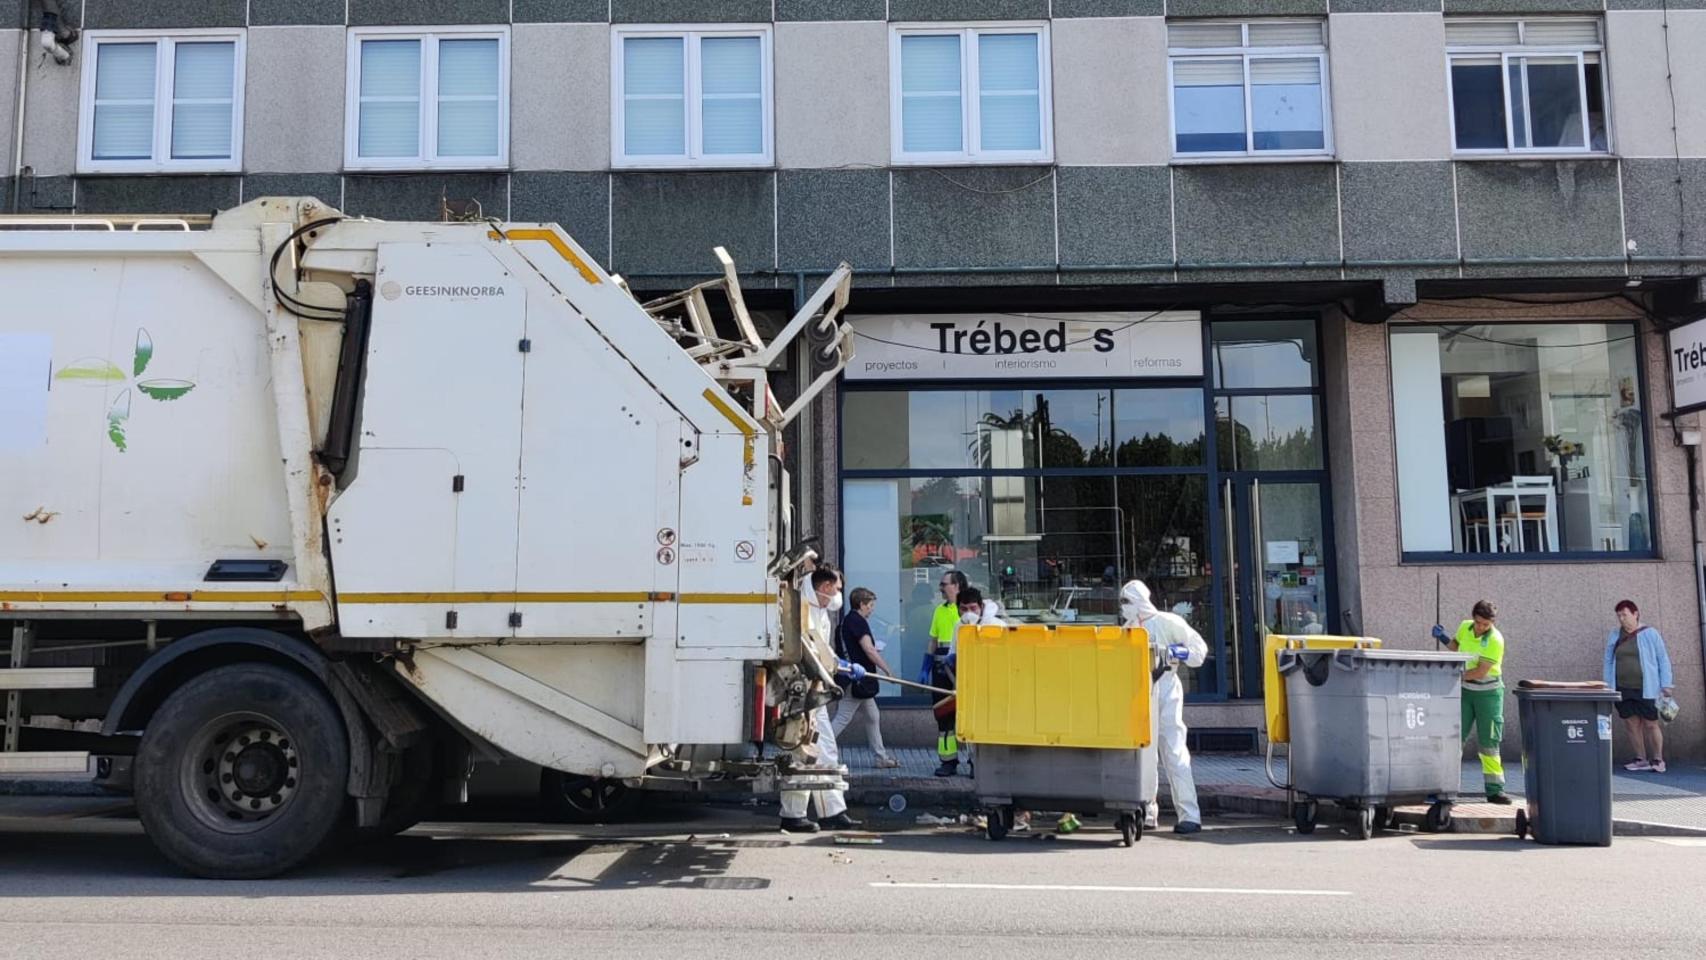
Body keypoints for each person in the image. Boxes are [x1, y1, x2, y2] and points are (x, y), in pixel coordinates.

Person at [779, 566, 861, 833]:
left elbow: (820, 649)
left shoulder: (817, 608)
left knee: (819, 749)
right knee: (802, 750)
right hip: (798, 689)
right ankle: (798, 815)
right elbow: (810, 648)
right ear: (825, 587)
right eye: (836, 589)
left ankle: (827, 811)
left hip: (812, 689)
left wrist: (838, 665)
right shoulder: (801, 607)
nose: (838, 595)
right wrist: (840, 666)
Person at [1121, 580, 1207, 835]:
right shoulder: (1128, 628)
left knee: (1174, 751)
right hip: (1137, 691)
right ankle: (1147, 811)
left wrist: (1172, 653)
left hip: (1166, 687)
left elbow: (1198, 651)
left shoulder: (1169, 622)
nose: (1123, 607)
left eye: (1127, 602)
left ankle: (1190, 814)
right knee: (1143, 754)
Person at [1432, 599, 1510, 804]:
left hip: (1489, 694)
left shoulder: (1495, 640)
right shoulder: (1465, 627)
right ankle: (1445, 788)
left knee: (1489, 743)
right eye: (1479, 622)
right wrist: (1443, 637)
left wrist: (1452, 677)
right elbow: (1456, 647)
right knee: (1454, 739)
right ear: (1473, 618)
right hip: (1466, 692)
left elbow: (1480, 671)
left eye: (1487, 624)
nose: (1482, 627)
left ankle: (1495, 790)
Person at [1603, 600, 1676, 773]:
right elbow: (1608, 660)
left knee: (1651, 723)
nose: (1621, 619)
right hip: (1622, 687)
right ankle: (1640, 758)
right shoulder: (1615, 634)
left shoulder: (1650, 633)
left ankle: (1658, 759)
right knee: (1631, 723)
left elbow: (1663, 659)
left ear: (1635, 614)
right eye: (1619, 615)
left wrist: (1666, 684)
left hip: (1647, 687)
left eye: (1624, 615)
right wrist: (1607, 685)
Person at [833, 587, 899, 769]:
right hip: (858, 679)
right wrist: (887, 670)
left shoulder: (846, 622)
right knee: (843, 717)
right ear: (861, 604)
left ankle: (880, 757)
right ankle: (819, 750)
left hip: (852, 678)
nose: (872, 609)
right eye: (870, 606)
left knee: (872, 715)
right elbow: (868, 649)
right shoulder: (858, 622)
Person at [930, 570, 970, 777]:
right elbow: (934, 640)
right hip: (941, 673)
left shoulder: (966, 611)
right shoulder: (939, 610)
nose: (941, 588)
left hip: (964, 671)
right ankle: (948, 761)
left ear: (957, 586)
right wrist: (926, 664)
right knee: (944, 718)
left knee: (971, 717)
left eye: (944, 584)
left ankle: (974, 762)